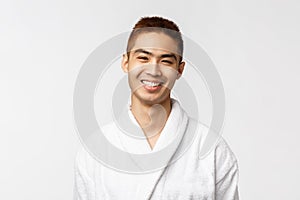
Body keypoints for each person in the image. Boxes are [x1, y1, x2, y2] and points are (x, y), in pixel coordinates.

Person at [74, 16, 239, 200]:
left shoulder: (212, 149)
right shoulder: (96, 150)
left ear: (179, 70)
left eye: (166, 61)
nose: (153, 70)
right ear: (126, 62)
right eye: (143, 58)